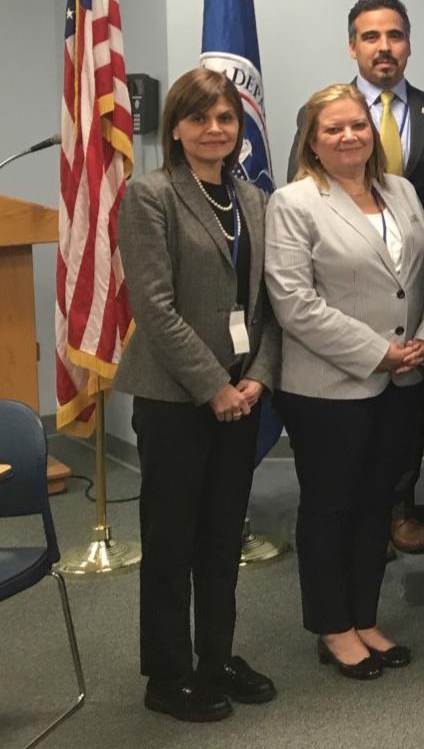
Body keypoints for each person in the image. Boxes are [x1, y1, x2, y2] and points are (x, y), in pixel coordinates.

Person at [115, 68, 280, 722]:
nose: (216, 130)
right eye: (201, 119)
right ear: (176, 129)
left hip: (243, 392)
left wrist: (257, 378)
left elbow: (265, 305)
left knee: (221, 538)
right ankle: (168, 672)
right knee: (171, 539)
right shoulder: (149, 195)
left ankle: (215, 658)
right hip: (175, 399)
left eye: (226, 119)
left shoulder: (253, 200)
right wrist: (213, 386)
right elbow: (154, 308)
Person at [267, 83, 424, 680]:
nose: (349, 136)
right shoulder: (294, 202)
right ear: (312, 141)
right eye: (333, 128)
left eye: (358, 125)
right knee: (330, 506)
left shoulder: (403, 190)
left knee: (376, 504)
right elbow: (294, 303)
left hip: (403, 380)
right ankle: (332, 627)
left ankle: (365, 616)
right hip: (328, 387)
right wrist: (379, 353)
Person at [288, 0, 424, 556]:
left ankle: (401, 507)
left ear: (408, 44)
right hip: (346, 301)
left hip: (417, 289)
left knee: (405, 422)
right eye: (371, 37)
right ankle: (362, 521)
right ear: (353, 46)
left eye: (394, 36)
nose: (384, 47)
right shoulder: (329, 113)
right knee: (344, 457)